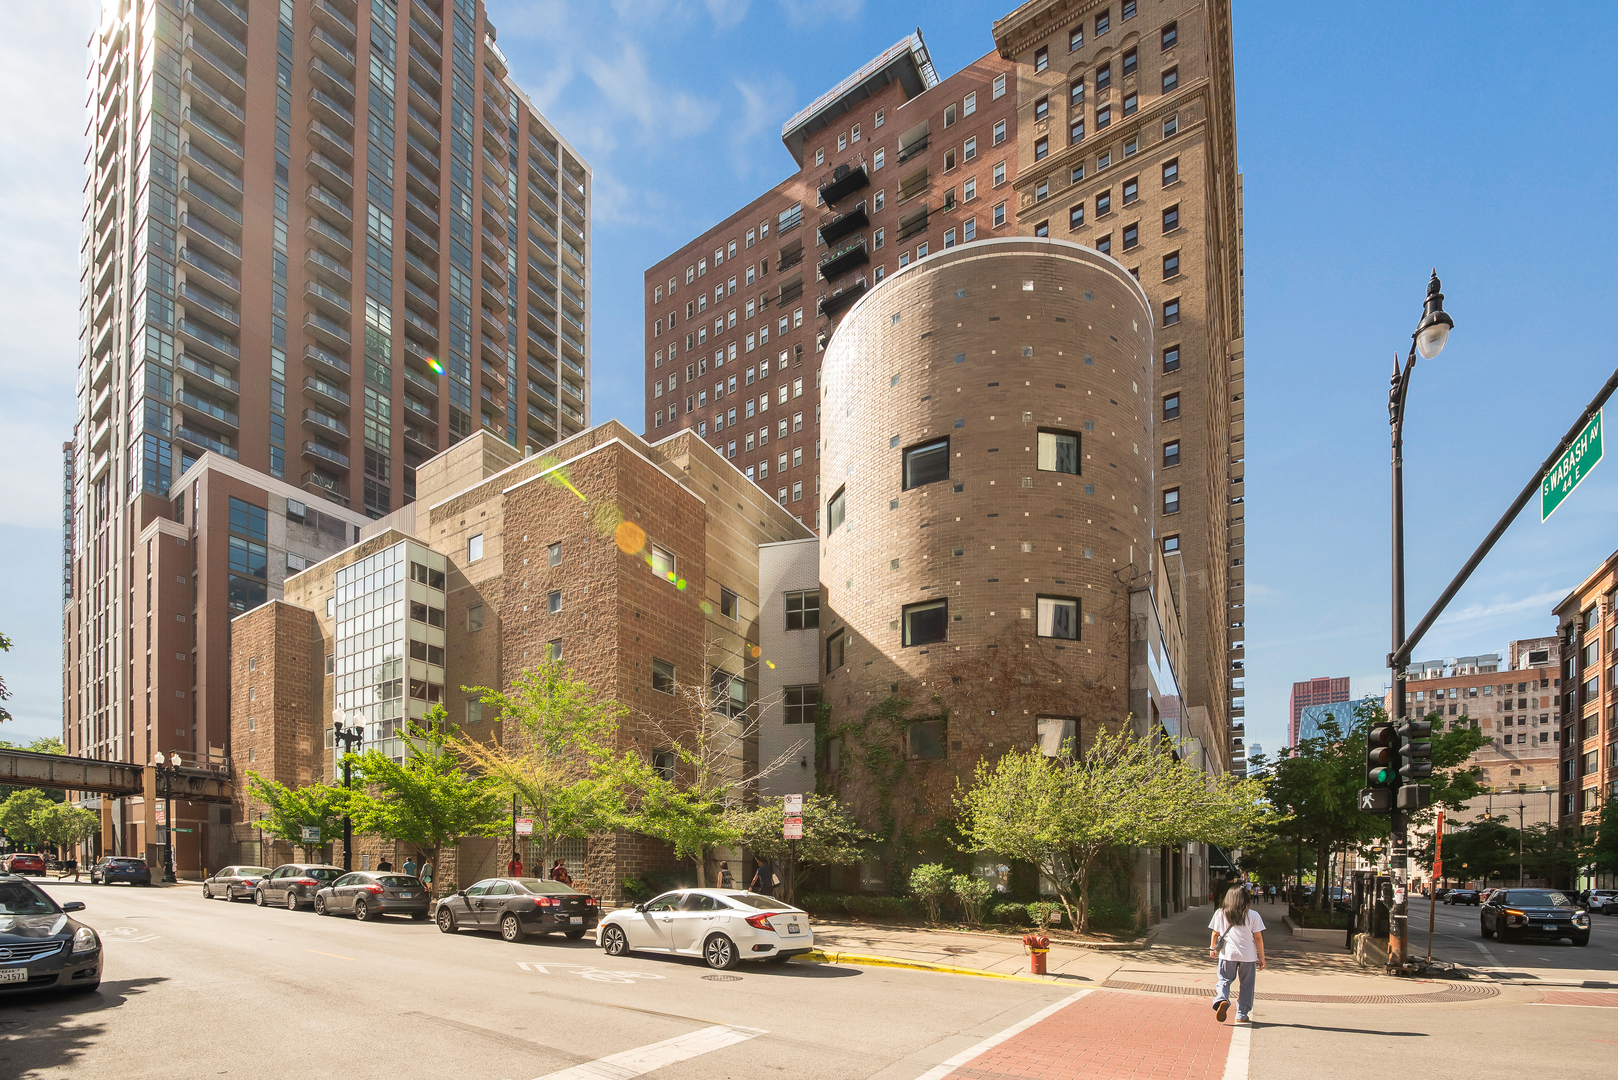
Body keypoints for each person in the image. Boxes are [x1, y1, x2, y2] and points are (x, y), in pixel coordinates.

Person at [1208, 883, 1266, 1024]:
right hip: (1248, 956)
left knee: (1224, 979)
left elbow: (1215, 933)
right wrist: (1262, 957)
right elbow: (1258, 938)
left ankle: (1222, 998)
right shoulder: (1253, 915)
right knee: (1247, 985)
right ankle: (1242, 1014)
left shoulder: (1220, 913)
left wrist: (1212, 948)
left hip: (1227, 954)